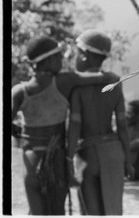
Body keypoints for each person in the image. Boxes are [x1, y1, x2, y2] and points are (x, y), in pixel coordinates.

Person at [11, 35, 119, 215]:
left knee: (36, 212)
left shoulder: (19, 92)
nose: (62, 59)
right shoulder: (65, 81)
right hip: (56, 162)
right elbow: (98, 78)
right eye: (59, 56)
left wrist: (16, 130)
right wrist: (112, 76)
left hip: (30, 161)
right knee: (56, 210)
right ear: (49, 60)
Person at [66, 30, 134, 215]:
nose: (75, 58)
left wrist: (68, 158)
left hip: (89, 156)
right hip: (114, 153)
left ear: (85, 55)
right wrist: (127, 160)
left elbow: (75, 127)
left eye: (78, 53)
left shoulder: (78, 87)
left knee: (91, 212)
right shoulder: (114, 83)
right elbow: (122, 126)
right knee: (113, 210)